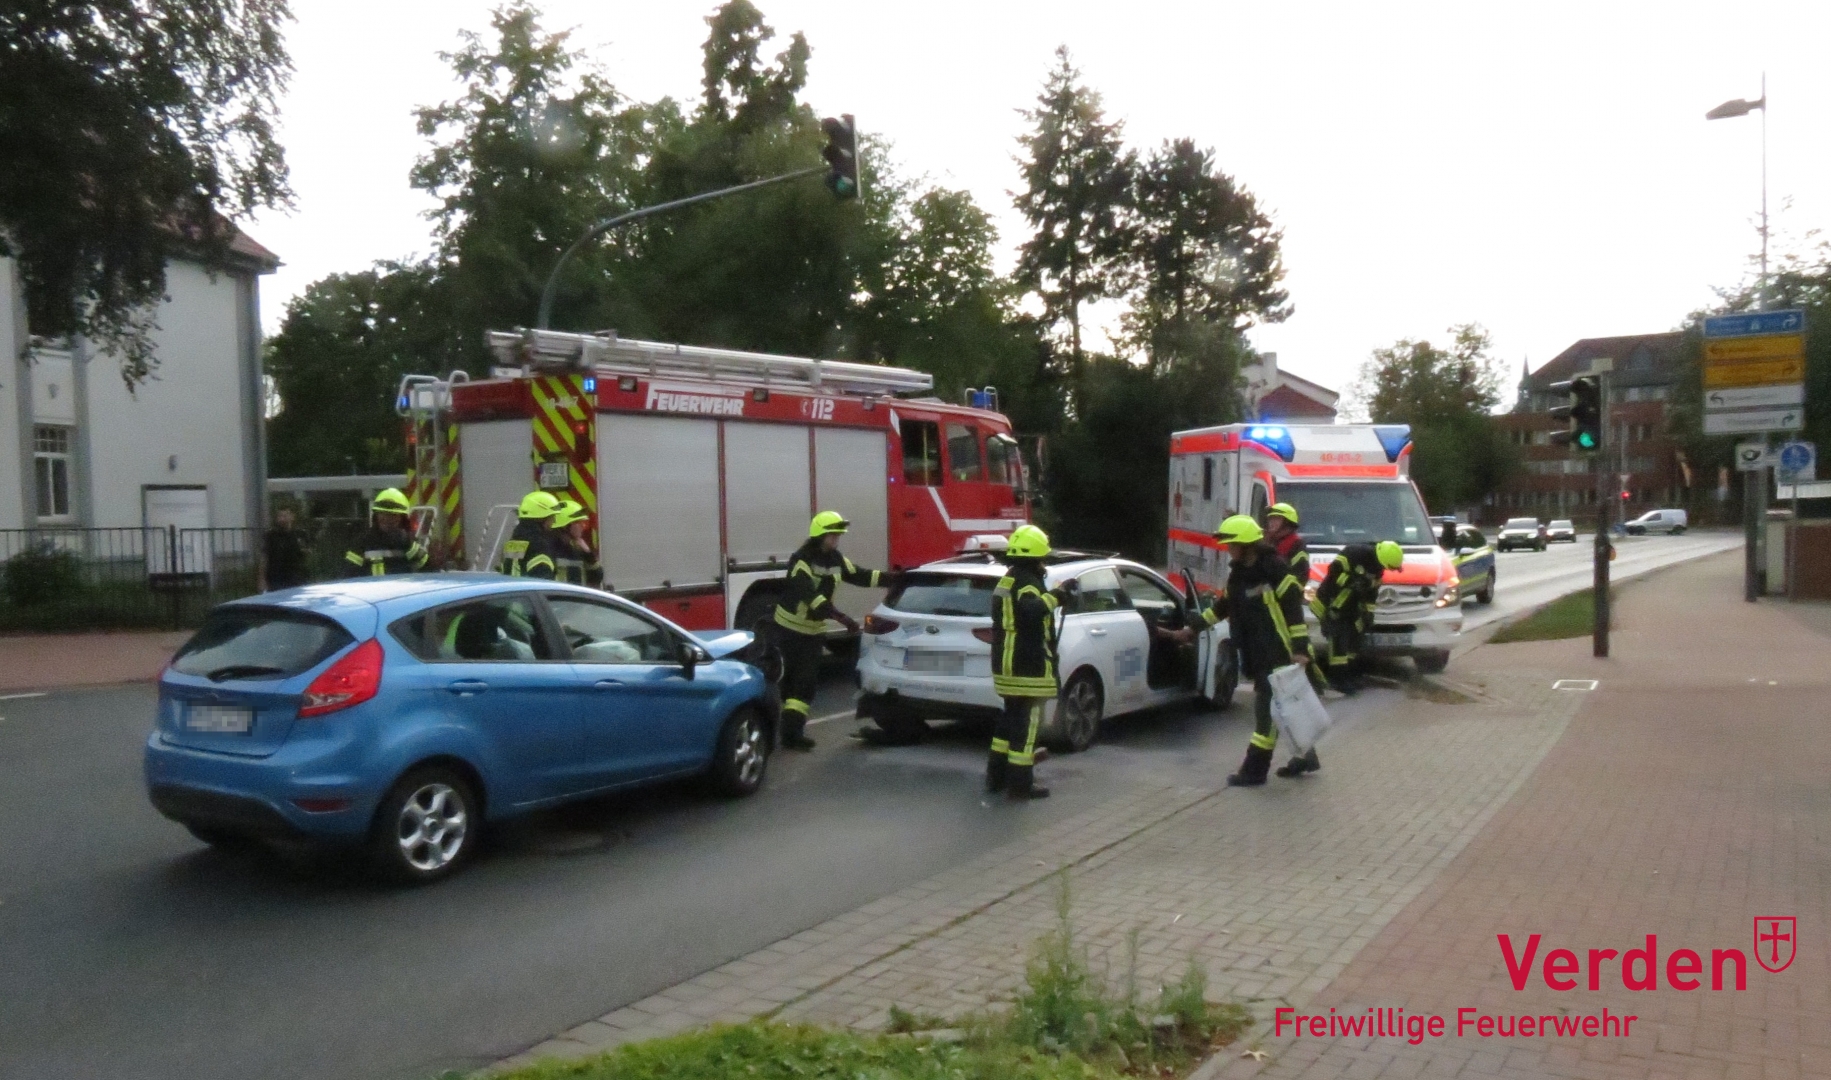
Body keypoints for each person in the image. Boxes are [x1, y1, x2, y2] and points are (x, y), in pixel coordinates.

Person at [1168, 514, 1312, 787]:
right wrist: (1192, 629)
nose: (1228, 548)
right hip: (1255, 652)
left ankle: (1255, 771)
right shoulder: (1238, 575)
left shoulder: (1274, 568)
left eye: (1231, 543)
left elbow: (1293, 609)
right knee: (1284, 708)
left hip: (1279, 651)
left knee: (1267, 712)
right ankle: (1306, 757)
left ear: (1247, 545)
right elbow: (1222, 608)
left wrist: (1300, 648)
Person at [773, 511, 894, 751]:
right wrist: (843, 618)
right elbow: (811, 598)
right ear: (820, 535)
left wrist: (896, 579)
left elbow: (861, 575)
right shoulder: (801, 561)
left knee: (804, 684)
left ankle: (791, 734)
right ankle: (787, 732)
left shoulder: (835, 559)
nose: (836, 539)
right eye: (833, 535)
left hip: (813, 632)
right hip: (789, 631)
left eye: (838, 535)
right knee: (789, 683)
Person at [987, 524, 1076, 801]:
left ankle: (996, 778)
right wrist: (1058, 596)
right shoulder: (1028, 583)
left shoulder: (1009, 578)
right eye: (1043, 557)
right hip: (1027, 666)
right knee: (1027, 729)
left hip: (1007, 665)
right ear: (1037, 556)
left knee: (1008, 724)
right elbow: (1030, 612)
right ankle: (1020, 787)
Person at [1312, 540, 1404, 696]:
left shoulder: (1377, 569)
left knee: (1355, 638)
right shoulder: (1353, 553)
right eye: (1389, 567)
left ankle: (1350, 675)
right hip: (1330, 604)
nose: (1387, 570)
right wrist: (1353, 582)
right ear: (1382, 559)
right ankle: (1337, 680)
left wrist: (1369, 613)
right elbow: (1333, 574)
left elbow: (1371, 594)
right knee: (1338, 641)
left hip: (1350, 608)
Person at [342, 488, 430, 577]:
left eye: (393, 515)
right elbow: (348, 576)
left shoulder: (406, 542)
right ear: (376, 516)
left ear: (402, 518)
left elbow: (428, 570)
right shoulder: (362, 542)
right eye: (383, 514)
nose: (387, 519)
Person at [499, 491, 561, 579]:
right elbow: (544, 585)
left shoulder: (514, 541)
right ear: (541, 518)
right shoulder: (539, 546)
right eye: (552, 517)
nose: (554, 521)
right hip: (528, 592)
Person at [549, 499, 600, 586]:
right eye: (577, 522)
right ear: (565, 526)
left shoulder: (575, 549)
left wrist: (588, 554)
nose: (583, 526)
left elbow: (597, 578)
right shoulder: (550, 550)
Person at [262, 507, 311, 591]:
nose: (282, 519)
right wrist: (262, 579)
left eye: (285, 516)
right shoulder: (271, 535)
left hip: (296, 576)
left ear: (292, 517)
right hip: (276, 576)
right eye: (279, 516)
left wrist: (305, 552)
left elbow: (308, 551)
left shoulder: (300, 534)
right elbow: (264, 557)